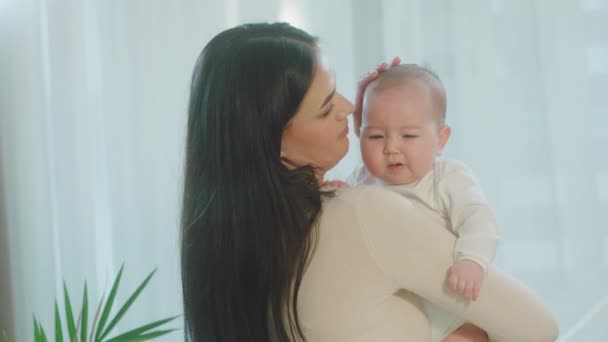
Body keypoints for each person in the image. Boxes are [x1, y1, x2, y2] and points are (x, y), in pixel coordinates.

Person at [180, 22, 559, 342]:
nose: (348, 108)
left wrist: (376, 127)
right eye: (328, 106)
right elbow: (538, 327)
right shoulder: (366, 213)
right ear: (272, 139)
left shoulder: (237, 245)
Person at [348, 64, 499, 342]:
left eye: (408, 136)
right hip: (393, 306)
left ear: (440, 139)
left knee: (467, 336)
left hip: (448, 301)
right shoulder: (362, 180)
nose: (391, 147)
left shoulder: (447, 177)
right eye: (376, 136)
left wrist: (472, 260)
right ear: (360, 133)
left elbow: (478, 219)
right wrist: (333, 193)